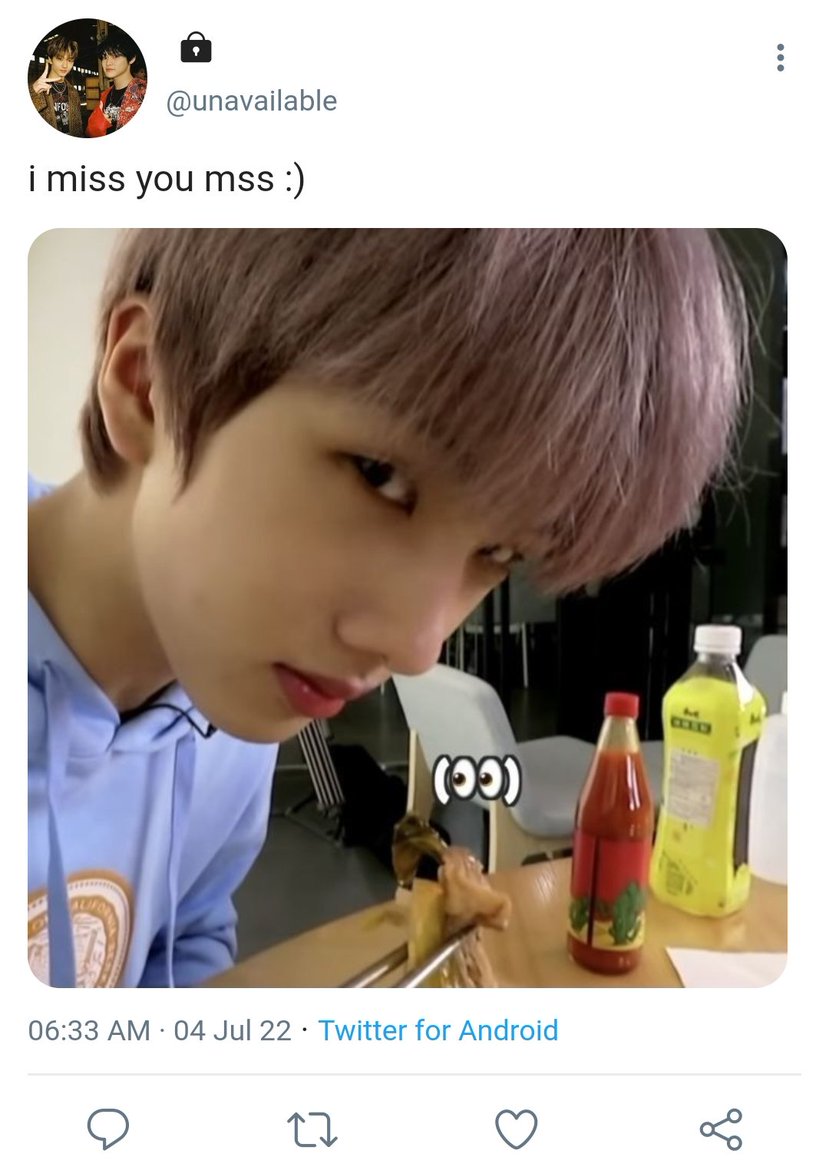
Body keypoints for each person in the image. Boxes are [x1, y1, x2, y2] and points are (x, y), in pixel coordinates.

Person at [28, 229, 749, 987]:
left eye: (499, 551)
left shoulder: (229, 689)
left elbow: (187, 931)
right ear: (148, 384)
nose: (417, 647)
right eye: (379, 475)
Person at [86, 29, 146, 137]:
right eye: (105, 57)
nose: (108, 62)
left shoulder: (143, 92)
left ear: (131, 58)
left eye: (115, 56)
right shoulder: (105, 95)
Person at [29, 34, 84, 137]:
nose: (65, 65)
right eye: (59, 58)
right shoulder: (36, 90)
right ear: (50, 59)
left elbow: (78, 127)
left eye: (69, 60)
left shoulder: (74, 93)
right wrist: (33, 93)